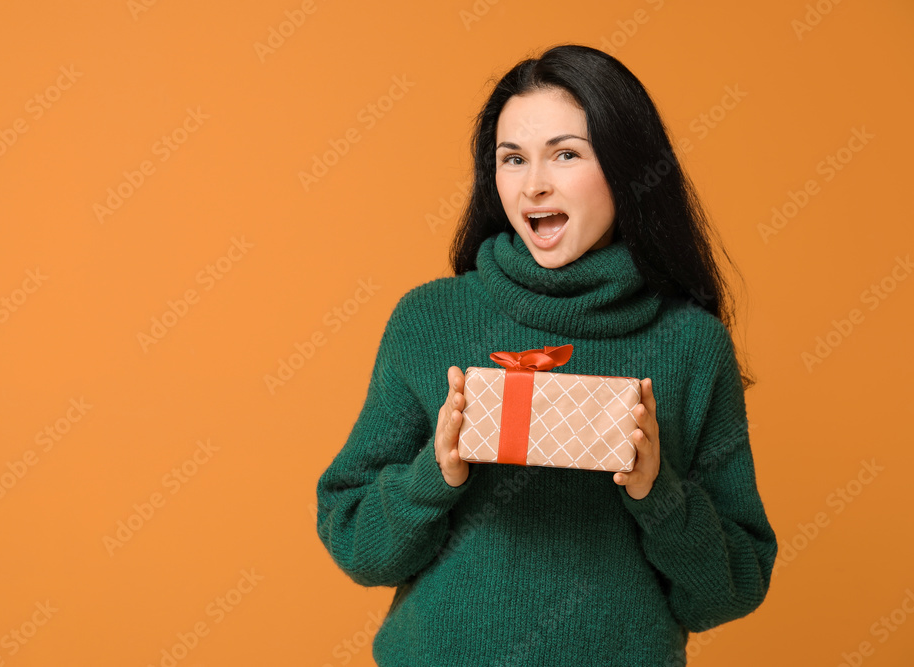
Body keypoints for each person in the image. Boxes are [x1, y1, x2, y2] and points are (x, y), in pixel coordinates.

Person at [315, 43, 778, 666]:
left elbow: (728, 590)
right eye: (513, 159)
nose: (534, 184)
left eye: (566, 154)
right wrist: (437, 473)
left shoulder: (691, 345)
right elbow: (358, 546)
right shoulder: (428, 320)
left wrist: (656, 492)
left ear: (624, 166)